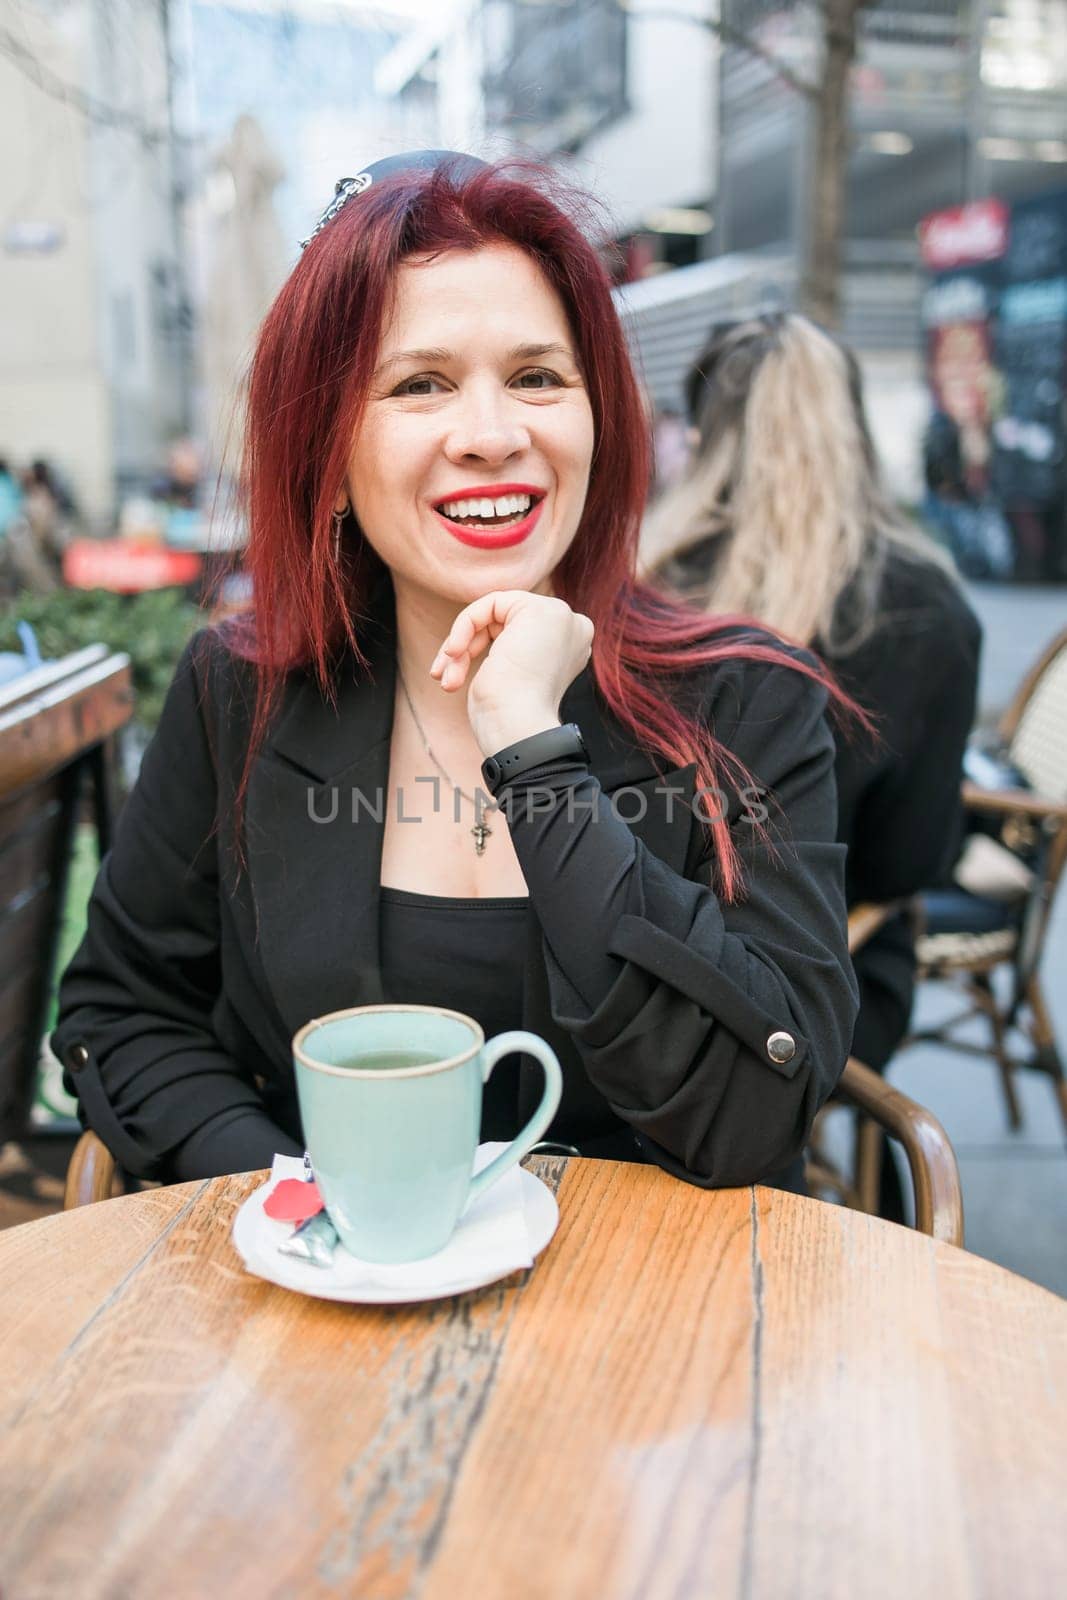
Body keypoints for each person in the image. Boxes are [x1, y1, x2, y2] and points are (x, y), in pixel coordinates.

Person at [53, 154, 858, 1195]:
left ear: (596, 419)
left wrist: (533, 749)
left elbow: (753, 1112)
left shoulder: (750, 702)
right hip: (330, 1319)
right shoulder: (238, 691)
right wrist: (308, 1206)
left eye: (535, 377)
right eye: (419, 384)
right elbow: (124, 1011)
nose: (490, 436)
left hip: (667, 1323)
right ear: (330, 453)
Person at [645, 313, 982, 1216]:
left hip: (639, 969)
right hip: (830, 975)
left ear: (706, 434)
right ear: (854, 424)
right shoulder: (926, 609)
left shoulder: (640, 583)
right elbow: (911, 864)